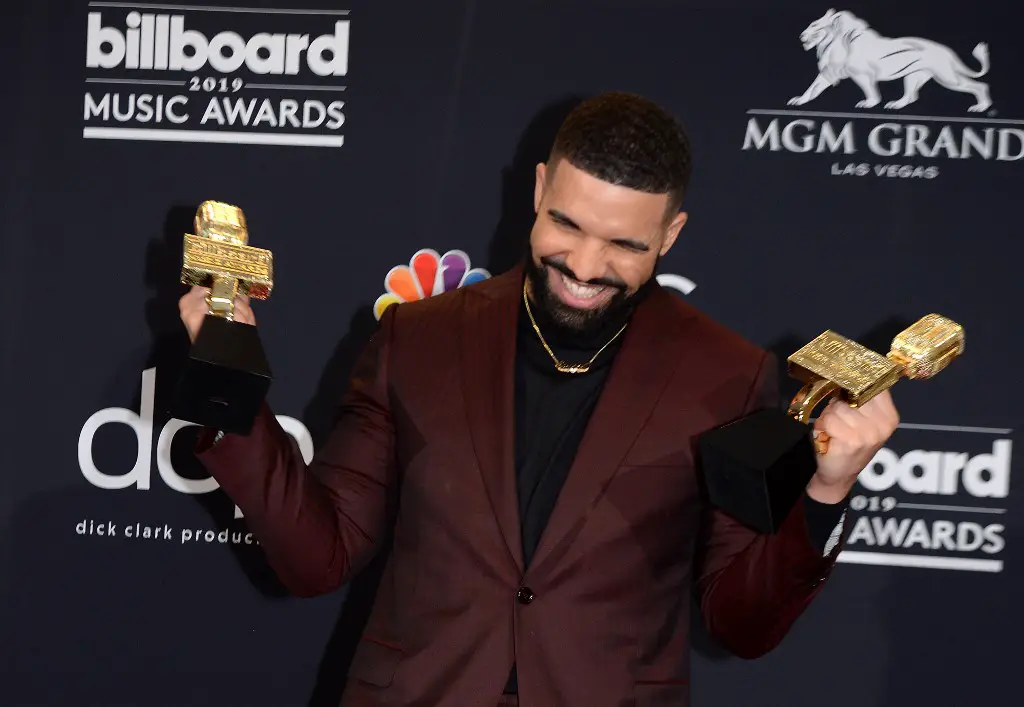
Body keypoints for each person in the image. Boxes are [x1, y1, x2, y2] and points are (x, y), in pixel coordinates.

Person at [179, 92, 899, 707]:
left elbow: (742, 626)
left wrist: (828, 490)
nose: (586, 267)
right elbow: (320, 556)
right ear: (537, 189)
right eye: (567, 224)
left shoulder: (730, 375)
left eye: (624, 244)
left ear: (671, 234)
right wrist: (230, 385)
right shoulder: (418, 339)